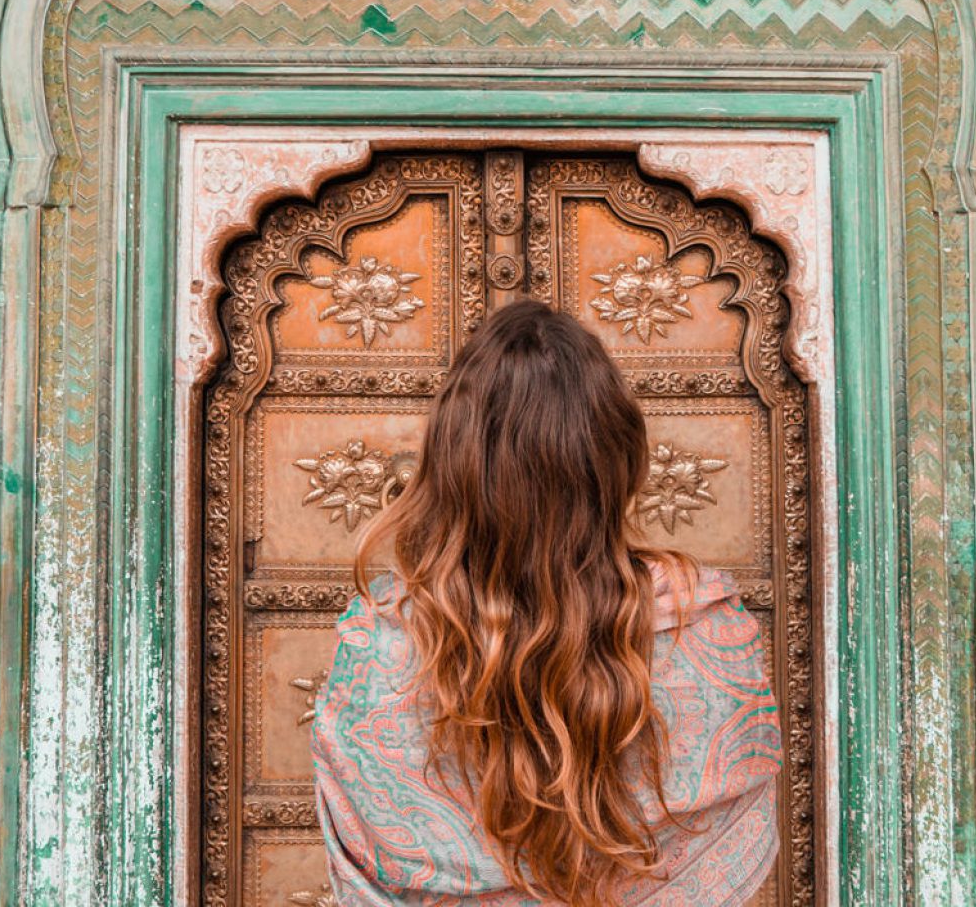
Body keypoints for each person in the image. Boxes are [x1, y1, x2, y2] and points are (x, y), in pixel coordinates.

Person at [312, 300, 782, 906]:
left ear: (449, 462)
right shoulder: (709, 626)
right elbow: (735, 838)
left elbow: (363, 859)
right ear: (617, 460)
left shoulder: (377, 641)